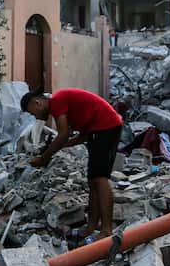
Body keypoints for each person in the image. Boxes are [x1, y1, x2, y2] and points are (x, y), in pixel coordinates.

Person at [21, 88, 123, 238]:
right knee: (93, 180)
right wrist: (58, 146)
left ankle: (106, 229)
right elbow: (79, 136)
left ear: (37, 103)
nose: (35, 116)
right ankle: (91, 226)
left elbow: (63, 134)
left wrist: (44, 158)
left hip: (105, 127)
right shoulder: (61, 103)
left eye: (32, 112)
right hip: (101, 129)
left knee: (100, 179)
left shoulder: (56, 101)